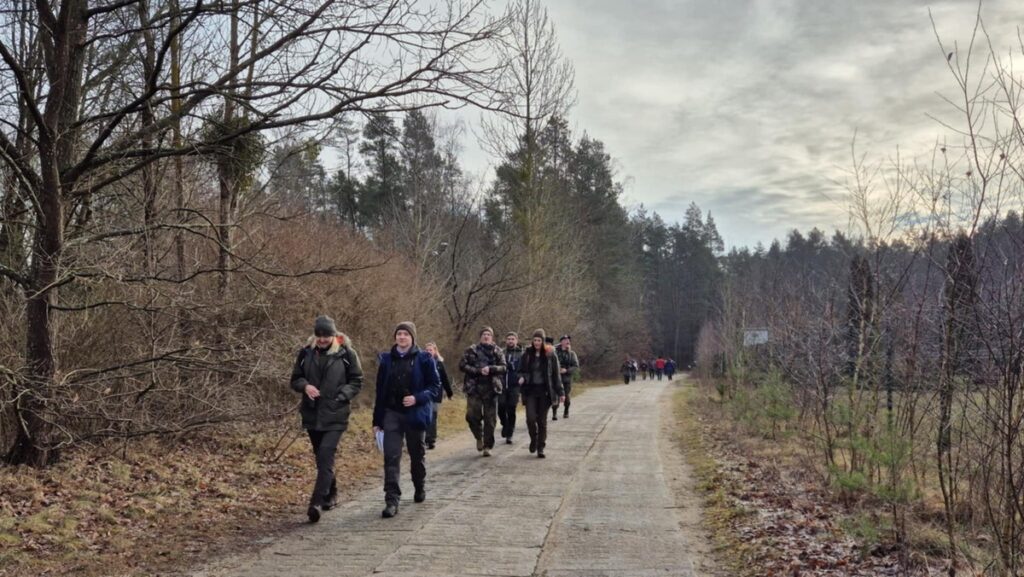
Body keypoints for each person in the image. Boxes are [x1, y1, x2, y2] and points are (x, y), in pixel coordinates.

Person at [290, 315, 364, 523]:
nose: (322, 339)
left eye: (326, 335)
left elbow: (357, 381)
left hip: (336, 413)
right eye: (319, 335)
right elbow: (295, 379)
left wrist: (341, 396)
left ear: (334, 335)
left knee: (325, 454)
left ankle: (316, 503)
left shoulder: (347, 354)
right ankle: (331, 493)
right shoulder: (305, 353)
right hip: (312, 413)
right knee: (321, 458)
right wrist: (305, 386)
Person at [372, 322, 442, 518]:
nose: (402, 337)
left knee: (416, 455)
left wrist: (417, 398)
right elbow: (380, 393)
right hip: (392, 413)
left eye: (406, 334)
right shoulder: (386, 360)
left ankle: (419, 485)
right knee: (391, 457)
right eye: (399, 334)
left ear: (412, 338)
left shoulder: (425, 359)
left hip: (414, 414)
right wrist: (377, 421)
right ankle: (392, 500)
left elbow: (435, 387)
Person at [459, 327, 507, 457]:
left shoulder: (497, 351)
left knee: (490, 420)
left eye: (488, 335)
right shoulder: (471, 350)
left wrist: (491, 369)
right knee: (471, 416)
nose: (486, 337)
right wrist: (478, 371)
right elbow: (462, 365)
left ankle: (487, 446)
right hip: (474, 388)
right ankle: (479, 437)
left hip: (491, 389)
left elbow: (504, 367)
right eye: (484, 334)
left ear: (492, 337)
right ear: (480, 337)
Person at [518, 329, 563, 458]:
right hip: (531, 391)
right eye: (535, 340)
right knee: (530, 419)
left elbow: (556, 375)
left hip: (545, 392)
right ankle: (534, 439)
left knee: (542, 421)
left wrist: (561, 392)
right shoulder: (526, 354)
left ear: (543, 341)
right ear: (532, 341)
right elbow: (520, 370)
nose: (537, 342)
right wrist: (522, 377)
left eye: (539, 340)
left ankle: (541, 447)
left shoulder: (550, 355)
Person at [424, 342, 454, 450]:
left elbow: (445, 379)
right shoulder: (421, 362)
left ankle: (431, 439)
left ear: (435, 351)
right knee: (425, 416)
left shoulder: (439, 364)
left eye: (430, 350)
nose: (428, 352)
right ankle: (425, 438)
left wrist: (449, 393)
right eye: (427, 350)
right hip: (424, 393)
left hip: (436, 394)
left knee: (432, 416)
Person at [498, 332, 524, 444]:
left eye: (512, 339)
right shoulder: (501, 352)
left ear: (516, 340)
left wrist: (522, 377)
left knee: (511, 408)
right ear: (506, 340)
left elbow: (525, 368)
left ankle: (510, 433)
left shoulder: (521, 354)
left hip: (515, 385)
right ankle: (505, 423)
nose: (510, 341)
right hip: (502, 384)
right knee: (501, 406)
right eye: (508, 339)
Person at [555, 335, 580, 419]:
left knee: (566, 395)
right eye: (565, 340)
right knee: (555, 395)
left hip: (566, 378)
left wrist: (567, 370)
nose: (567, 342)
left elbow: (575, 366)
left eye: (568, 340)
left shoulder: (572, 354)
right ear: (561, 342)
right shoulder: (555, 352)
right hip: (556, 377)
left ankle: (566, 410)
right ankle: (554, 411)